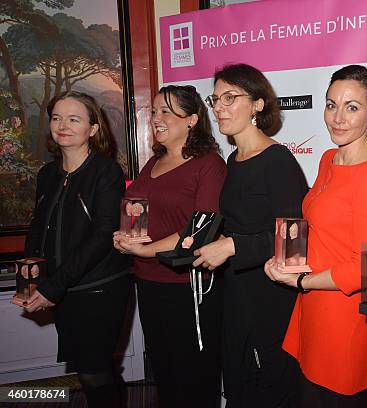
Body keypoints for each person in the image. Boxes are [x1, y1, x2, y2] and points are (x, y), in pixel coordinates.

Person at [264, 65, 367, 407]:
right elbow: (321, 232)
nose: (338, 117)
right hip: (312, 310)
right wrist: (285, 259)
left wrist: (302, 283)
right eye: (331, 104)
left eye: (352, 107)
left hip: (341, 316)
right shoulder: (327, 159)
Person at [192, 63, 308, 408]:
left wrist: (232, 245)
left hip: (270, 297)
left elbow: (295, 238)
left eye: (231, 97)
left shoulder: (278, 160)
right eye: (215, 99)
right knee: (241, 384)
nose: (220, 108)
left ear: (258, 104)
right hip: (236, 292)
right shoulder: (234, 159)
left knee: (269, 387)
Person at [16, 91, 131, 407]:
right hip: (63, 288)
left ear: (93, 129)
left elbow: (102, 235)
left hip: (98, 289)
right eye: (56, 118)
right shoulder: (48, 174)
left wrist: (53, 287)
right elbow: (38, 231)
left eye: (74, 119)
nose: (62, 125)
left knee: (95, 373)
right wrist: (30, 283)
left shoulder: (106, 172)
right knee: (86, 371)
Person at [113, 85, 226, 407]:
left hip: (189, 287)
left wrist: (146, 250)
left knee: (194, 379)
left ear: (192, 119)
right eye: (154, 111)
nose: (157, 118)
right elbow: (140, 214)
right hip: (149, 283)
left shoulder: (209, 164)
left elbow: (199, 231)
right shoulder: (154, 163)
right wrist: (126, 235)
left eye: (167, 111)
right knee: (165, 374)